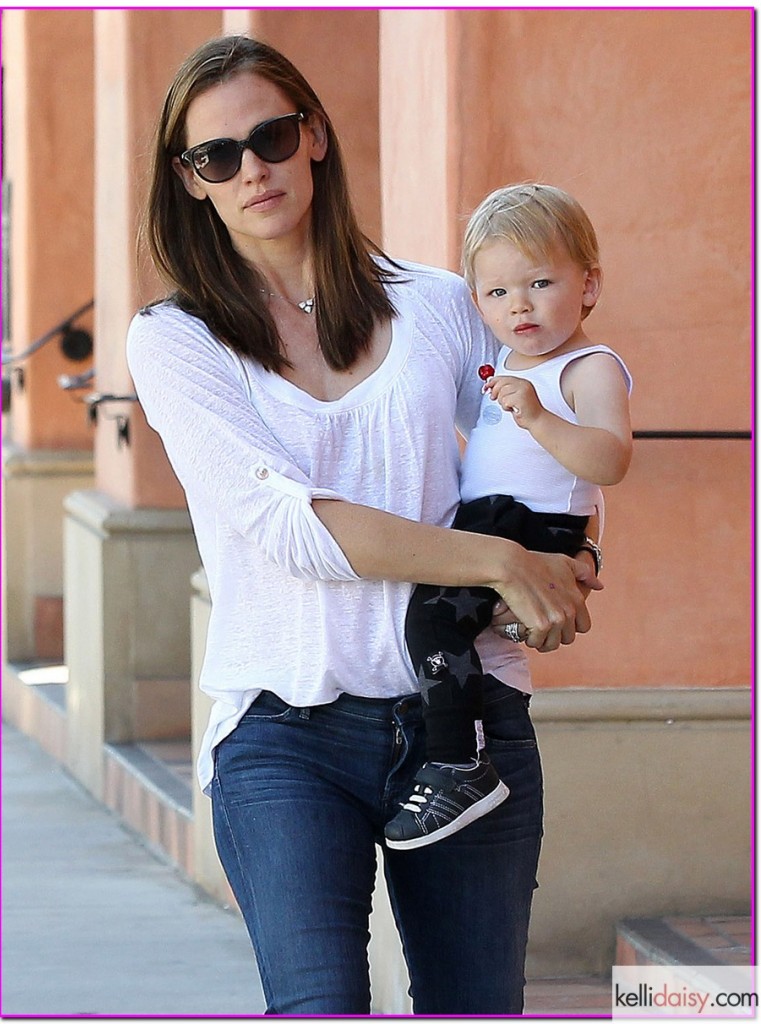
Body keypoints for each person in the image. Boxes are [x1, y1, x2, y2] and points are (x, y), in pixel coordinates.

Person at [126, 36, 600, 1016]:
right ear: (191, 183)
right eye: (217, 156)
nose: (251, 166)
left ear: (315, 137)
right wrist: (500, 558)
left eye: (269, 135)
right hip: (284, 732)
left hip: (466, 721)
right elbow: (287, 524)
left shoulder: (439, 307)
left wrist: (572, 556)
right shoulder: (176, 342)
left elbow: (535, 442)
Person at [386, 183, 633, 851]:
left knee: (433, 619)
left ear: (588, 285)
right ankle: (452, 749)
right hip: (491, 521)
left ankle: (458, 765)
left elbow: (608, 461)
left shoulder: (588, 367)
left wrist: (539, 415)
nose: (517, 303)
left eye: (540, 281)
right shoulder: (503, 368)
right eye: (495, 293)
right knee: (445, 621)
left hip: (532, 526)